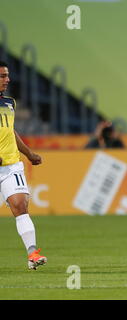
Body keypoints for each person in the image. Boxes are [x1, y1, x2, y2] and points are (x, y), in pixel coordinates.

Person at [0, 61, 47, 269]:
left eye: (7, 75)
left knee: (21, 206)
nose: (7, 79)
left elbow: (10, 131)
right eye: (2, 76)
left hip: (11, 166)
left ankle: (33, 254)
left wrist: (28, 153)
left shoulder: (9, 102)